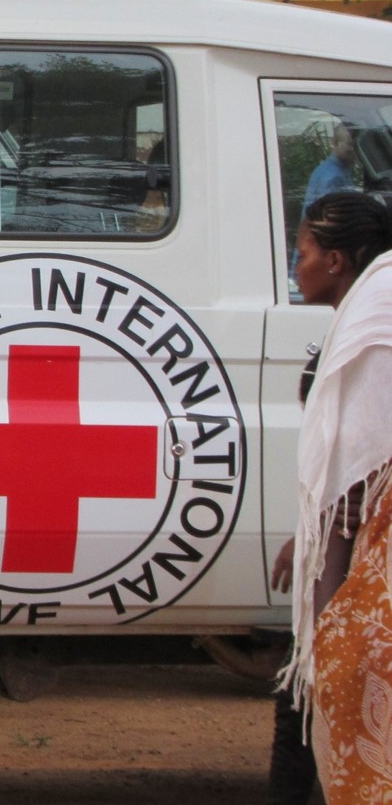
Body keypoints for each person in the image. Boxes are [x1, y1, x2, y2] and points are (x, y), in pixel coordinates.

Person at [281, 191, 392, 803]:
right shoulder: (364, 315)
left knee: (343, 687)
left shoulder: (373, 326)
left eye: (302, 254)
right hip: (358, 546)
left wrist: (321, 557)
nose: (295, 268)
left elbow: (363, 468)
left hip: (370, 560)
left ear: (336, 261)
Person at [304, 126, 358, 212]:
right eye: (350, 144)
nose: (354, 149)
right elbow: (335, 216)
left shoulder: (323, 169)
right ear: (335, 143)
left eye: (356, 144)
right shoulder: (334, 178)